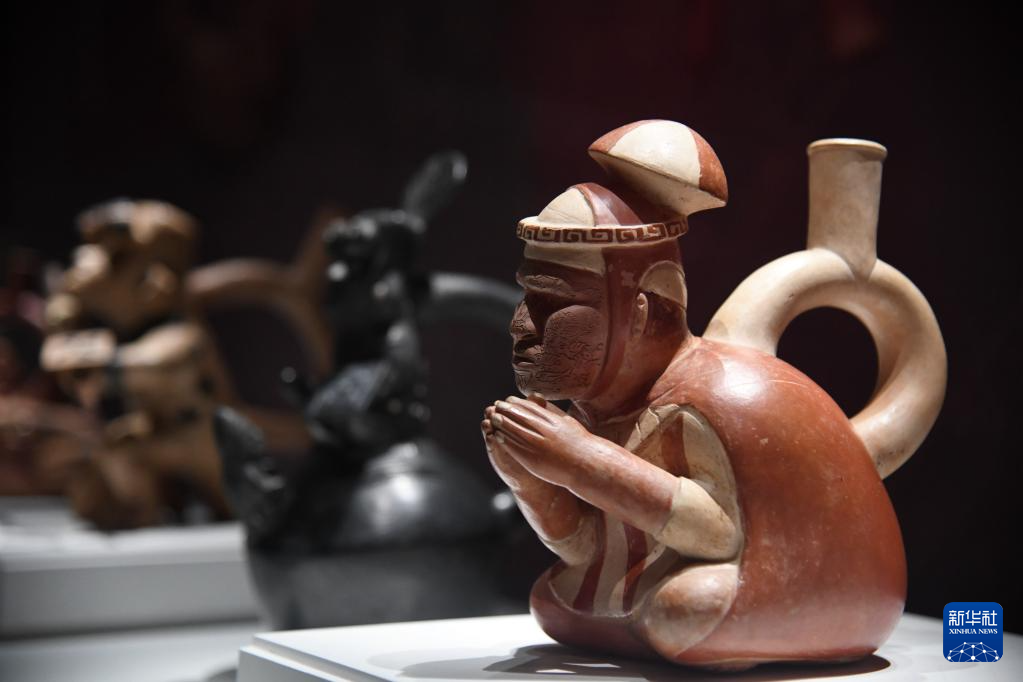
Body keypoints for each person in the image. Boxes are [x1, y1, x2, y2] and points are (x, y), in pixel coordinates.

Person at [482, 120, 905, 669]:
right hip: (688, 576)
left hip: (813, 577)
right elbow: (588, 545)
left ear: (637, 311)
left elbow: (718, 533)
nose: (520, 324)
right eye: (526, 298)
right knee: (553, 600)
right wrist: (531, 481)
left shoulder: (717, 393)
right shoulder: (596, 408)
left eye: (550, 304)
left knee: (681, 610)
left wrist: (579, 461)